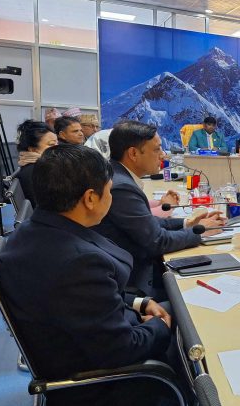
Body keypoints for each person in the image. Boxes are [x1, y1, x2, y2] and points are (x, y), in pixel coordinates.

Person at [0, 144, 184, 406]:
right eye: (109, 191)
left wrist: (140, 303)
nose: (111, 198)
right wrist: (160, 326)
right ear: (90, 198)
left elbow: (88, 299)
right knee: (192, 343)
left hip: (73, 349)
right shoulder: (78, 262)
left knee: (174, 306)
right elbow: (122, 349)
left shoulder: (33, 232)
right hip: (96, 393)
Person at [93, 121, 225, 297]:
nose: (163, 155)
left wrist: (187, 223)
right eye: (156, 150)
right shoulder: (122, 187)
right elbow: (158, 242)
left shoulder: (118, 175)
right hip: (137, 280)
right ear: (133, 153)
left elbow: (148, 221)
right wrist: (199, 231)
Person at [15, 119, 59, 208]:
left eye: (57, 142)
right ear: (33, 149)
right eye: (51, 144)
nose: (57, 147)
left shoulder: (36, 166)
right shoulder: (38, 171)